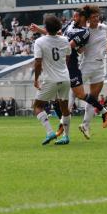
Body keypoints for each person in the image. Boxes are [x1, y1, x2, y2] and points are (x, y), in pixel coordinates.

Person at [30, 7, 107, 139]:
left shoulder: (84, 32)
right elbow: (54, 35)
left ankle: (103, 111)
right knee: (60, 102)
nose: (74, 18)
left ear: (83, 18)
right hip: (62, 65)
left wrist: (45, 42)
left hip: (71, 65)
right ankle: (63, 131)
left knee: (78, 95)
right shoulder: (71, 25)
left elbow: (66, 45)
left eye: (76, 16)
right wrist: (40, 30)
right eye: (74, 16)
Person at [73, 5, 107, 140]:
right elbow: (79, 50)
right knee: (73, 93)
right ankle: (63, 123)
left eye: (97, 16)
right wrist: (80, 47)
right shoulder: (85, 31)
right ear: (88, 19)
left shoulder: (104, 28)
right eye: (93, 17)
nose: (96, 19)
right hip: (86, 66)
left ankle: (85, 125)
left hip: (99, 66)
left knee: (93, 98)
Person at [32, 14, 72, 145]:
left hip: (50, 79)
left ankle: (50, 132)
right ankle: (66, 137)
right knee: (64, 108)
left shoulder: (39, 42)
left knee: (38, 106)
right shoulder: (65, 40)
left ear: (45, 27)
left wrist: (36, 78)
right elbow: (68, 56)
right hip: (65, 78)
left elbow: (38, 62)